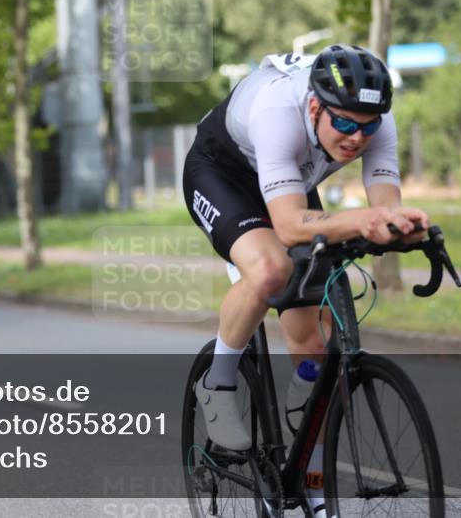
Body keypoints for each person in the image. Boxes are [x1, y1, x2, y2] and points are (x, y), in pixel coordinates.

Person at [182, 44, 429, 517]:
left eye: (368, 126)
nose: (357, 137)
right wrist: (364, 220)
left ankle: (312, 484)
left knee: (315, 349)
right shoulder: (279, 111)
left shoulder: (373, 117)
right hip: (222, 172)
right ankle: (217, 382)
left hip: (288, 178)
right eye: (345, 124)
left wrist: (404, 228)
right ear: (315, 106)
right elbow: (293, 226)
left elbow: (385, 206)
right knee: (272, 268)